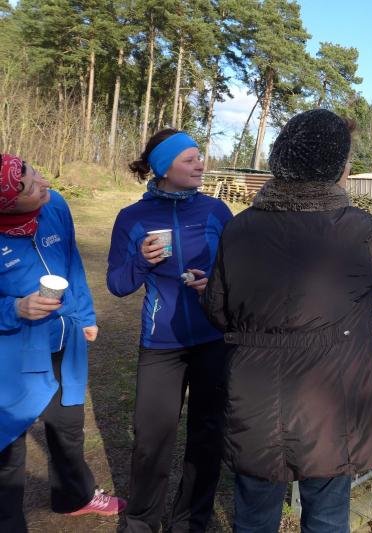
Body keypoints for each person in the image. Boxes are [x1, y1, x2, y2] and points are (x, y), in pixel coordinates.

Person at [201, 109, 372, 532]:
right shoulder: (353, 230)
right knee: (325, 517)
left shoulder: (240, 227)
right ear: (337, 168)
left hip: (254, 402)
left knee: (253, 516)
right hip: (329, 406)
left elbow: (216, 311)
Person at [107, 130, 233, 532]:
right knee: (150, 440)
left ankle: (191, 522)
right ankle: (141, 523)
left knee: (207, 437)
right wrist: (141, 261)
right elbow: (117, 284)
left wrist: (214, 284)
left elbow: (238, 272)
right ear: (164, 168)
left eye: (200, 157)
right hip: (162, 344)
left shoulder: (216, 211)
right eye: (190, 159)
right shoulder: (132, 217)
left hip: (213, 339)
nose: (201, 165)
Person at [0, 154, 126, 532]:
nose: (45, 184)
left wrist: (85, 315)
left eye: (36, 172)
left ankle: (75, 496)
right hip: (13, 351)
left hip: (64, 338)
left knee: (68, 424)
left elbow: (72, 261)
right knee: (9, 443)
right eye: (31, 187)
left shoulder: (55, 205)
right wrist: (15, 308)